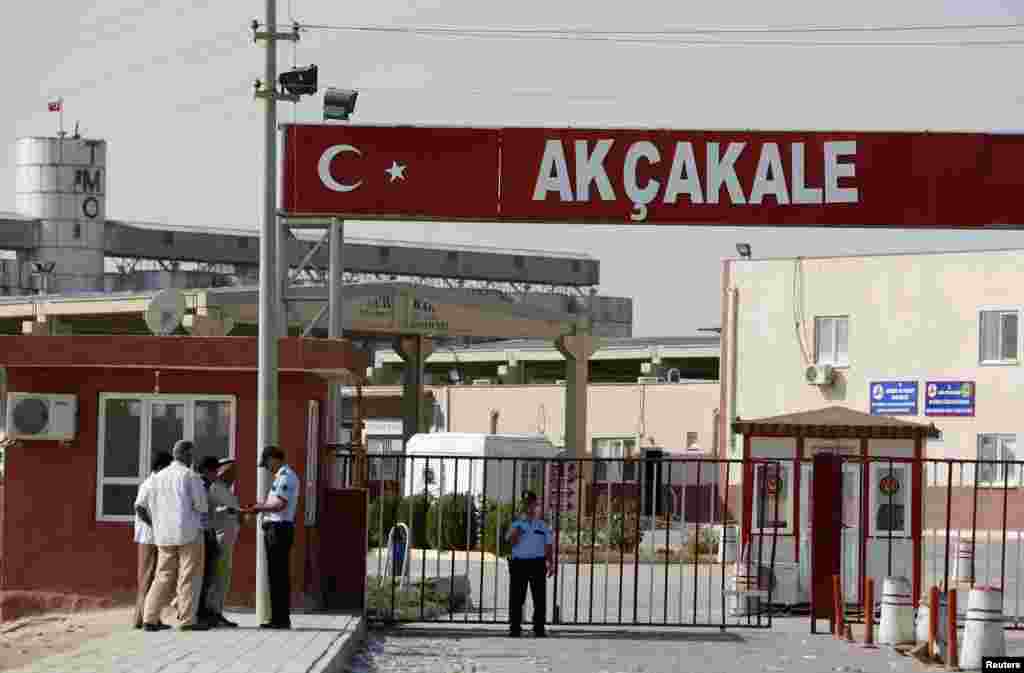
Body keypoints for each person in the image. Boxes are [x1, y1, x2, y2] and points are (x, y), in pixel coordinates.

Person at [138, 439, 210, 631]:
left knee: (162, 576)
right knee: (188, 576)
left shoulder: (157, 478)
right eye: (191, 454)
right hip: (189, 534)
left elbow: (143, 506)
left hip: (163, 535)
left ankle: (149, 618)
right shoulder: (190, 476)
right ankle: (187, 620)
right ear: (187, 454)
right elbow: (201, 506)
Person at [242, 446, 299, 630]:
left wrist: (259, 508)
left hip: (279, 529)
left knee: (278, 576)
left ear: (274, 458)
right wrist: (260, 507)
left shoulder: (286, 477)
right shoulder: (281, 477)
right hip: (276, 529)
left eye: (266, 463)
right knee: (276, 575)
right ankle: (278, 618)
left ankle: (281, 619)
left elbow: (279, 505)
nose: (266, 467)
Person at [132, 450, 173, 630]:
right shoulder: (150, 484)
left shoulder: (158, 482)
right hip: (149, 537)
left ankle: (144, 617)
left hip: (155, 536)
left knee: (152, 578)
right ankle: (145, 618)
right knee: (148, 578)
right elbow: (139, 508)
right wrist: (156, 525)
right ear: (162, 466)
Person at [505, 491, 555, 638]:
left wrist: (550, 563)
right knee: (516, 598)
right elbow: (510, 542)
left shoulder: (542, 525)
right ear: (523, 505)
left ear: (536, 505)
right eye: (526, 504)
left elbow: (548, 545)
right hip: (519, 564)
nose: (529, 507)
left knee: (539, 598)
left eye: (532, 504)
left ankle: (538, 628)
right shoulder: (516, 524)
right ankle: (515, 628)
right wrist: (516, 533)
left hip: (537, 564)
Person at [204, 458, 241, 627]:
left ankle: (217, 611)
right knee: (217, 577)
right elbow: (209, 511)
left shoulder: (227, 490)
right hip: (219, 539)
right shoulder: (214, 488)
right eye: (230, 471)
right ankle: (211, 611)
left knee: (224, 577)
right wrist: (225, 511)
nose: (234, 475)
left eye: (236, 472)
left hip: (229, 538)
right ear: (221, 471)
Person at [194, 456, 223, 627]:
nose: (217, 475)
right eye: (214, 471)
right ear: (205, 470)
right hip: (203, 535)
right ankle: (199, 612)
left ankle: (203, 610)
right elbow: (203, 514)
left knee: (208, 576)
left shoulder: (206, 486)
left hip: (206, 533)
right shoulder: (199, 486)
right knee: (203, 575)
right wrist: (210, 535)